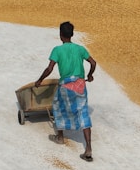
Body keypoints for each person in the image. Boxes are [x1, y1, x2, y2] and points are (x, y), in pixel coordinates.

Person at [35, 21, 97, 162]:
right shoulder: (80, 49)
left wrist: (39, 80)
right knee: (83, 113)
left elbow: (49, 68)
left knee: (58, 107)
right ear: (72, 34)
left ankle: (60, 137)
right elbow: (93, 63)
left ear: (61, 35)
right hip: (80, 84)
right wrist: (90, 75)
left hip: (66, 85)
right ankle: (88, 149)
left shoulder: (57, 50)